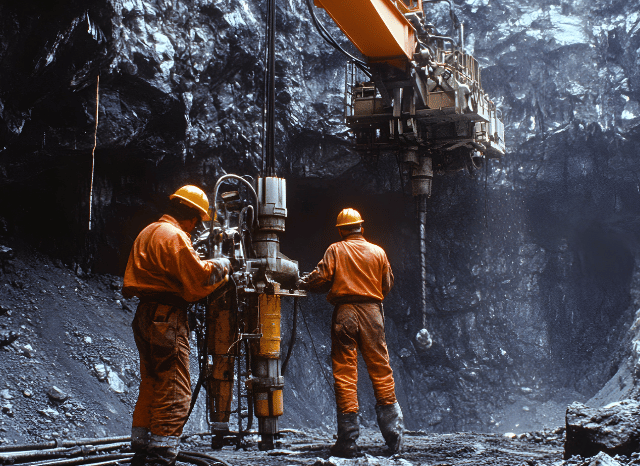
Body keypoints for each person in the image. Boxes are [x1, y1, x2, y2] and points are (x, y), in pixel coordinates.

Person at [123, 185, 231, 466]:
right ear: (193, 217)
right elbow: (198, 280)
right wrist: (222, 265)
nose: (196, 229)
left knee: (152, 383)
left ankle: (143, 450)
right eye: (198, 223)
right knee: (174, 388)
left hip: (145, 315)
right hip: (167, 317)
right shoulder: (174, 236)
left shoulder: (148, 231)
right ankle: (161, 456)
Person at [297, 208, 404, 457]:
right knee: (380, 369)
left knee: (345, 373)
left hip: (345, 313)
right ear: (361, 228)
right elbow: (386, 283)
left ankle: (348, 441)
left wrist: (303, 283)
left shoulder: (335, 249)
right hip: (372, 313)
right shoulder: (378, 252)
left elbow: (320, 278)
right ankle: (395, 438)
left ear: (342, 230)